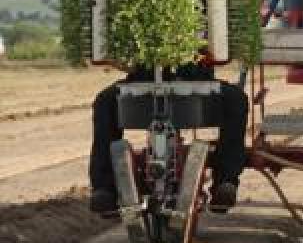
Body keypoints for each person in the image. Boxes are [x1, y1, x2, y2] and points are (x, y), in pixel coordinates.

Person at [88, 58, 249, 215]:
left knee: (236, 100)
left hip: (197, 79)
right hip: (142, 80)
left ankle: (225, 182)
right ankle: (105, 188)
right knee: (104, 102)